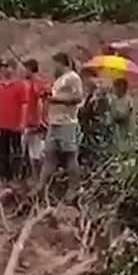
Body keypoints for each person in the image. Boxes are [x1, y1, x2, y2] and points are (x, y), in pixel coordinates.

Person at [42, 52, 84, 188]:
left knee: (70, 155)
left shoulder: (73, 78)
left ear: (61, 63)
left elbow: (78, 98)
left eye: (55, 64)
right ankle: (42, 186)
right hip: (54, 122)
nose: (53, 68)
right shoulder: (59, 80)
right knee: (49, 155)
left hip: (67, 122)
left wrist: (56, 99)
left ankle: (74, 187)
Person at [0, 60, 27, 182]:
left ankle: (16, 177)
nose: (5, 70)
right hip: (1, 123)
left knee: (16, 152)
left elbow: (24, 104)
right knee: (1, 153)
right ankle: (3, 178)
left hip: (15, 124)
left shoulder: (20, 85)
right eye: (3, 67)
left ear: (13, 69)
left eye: (7, 67)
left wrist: (22, 121)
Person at [20, 58, 49, 178]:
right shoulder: (32, 83)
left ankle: (39, 179)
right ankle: (34, 178)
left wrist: (41, 120)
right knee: (30, 153)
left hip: (34, 123)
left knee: (36, 154)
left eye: (25, 69)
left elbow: (41, 101)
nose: (23, 72)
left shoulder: (37, 83)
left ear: (29, 69)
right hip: (29, 122)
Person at [108, 78, 135, 152]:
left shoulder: (128, 101)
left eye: (115, 87)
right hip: (116, 133)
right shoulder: (115, 100)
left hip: (125, 132)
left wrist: (114, 110)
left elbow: (122, 115)